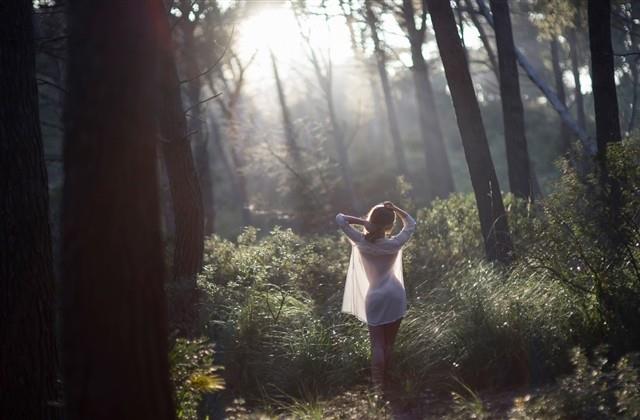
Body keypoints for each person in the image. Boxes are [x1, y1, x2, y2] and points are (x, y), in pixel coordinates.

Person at [335, 201, 417, 389]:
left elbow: (340, 219)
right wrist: (396, 208)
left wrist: (365, 223)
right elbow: (411, 223)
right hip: (395, 294)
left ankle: (378, 386)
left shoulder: (360, 241)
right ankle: (390, 381)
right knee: (389, 344)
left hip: (375, 297)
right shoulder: (395, 242)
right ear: (389, 226)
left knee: (377, 344)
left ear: (372, 221)